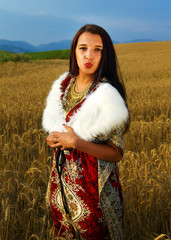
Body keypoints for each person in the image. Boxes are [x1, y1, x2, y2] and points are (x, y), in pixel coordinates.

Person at [42, 24, 129, 240]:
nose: (89, 55)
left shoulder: (107, 95)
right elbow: (60, 130)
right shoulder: (63, 85)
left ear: (105, 54)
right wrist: (55, 139)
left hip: (95, 199)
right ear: (74, 51)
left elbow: (116, 153)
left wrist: (77, 143)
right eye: (83, 48)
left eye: (97, 49)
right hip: (60, 190)